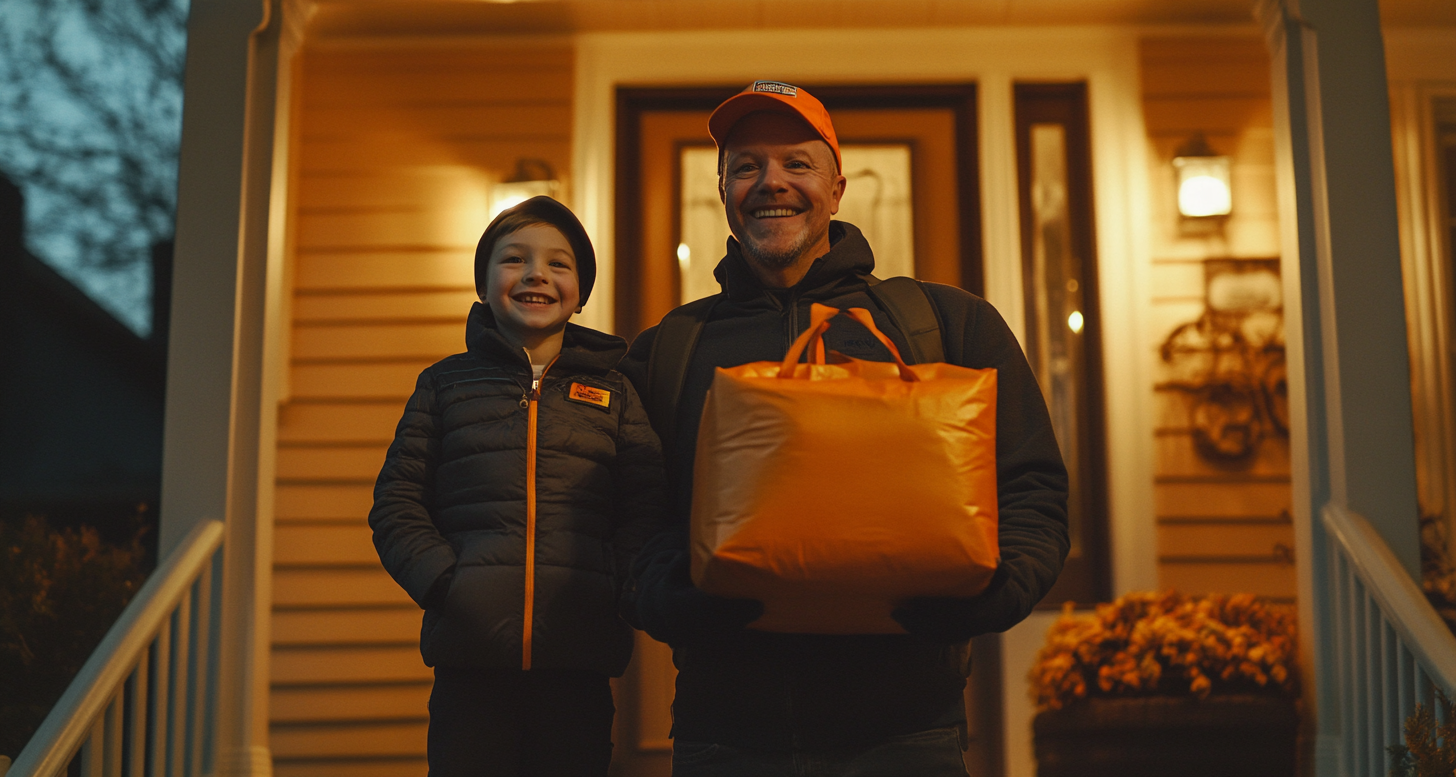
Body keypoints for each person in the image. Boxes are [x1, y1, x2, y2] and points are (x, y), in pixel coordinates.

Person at [619, 82, 1071, 776]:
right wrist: (668, 597)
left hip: (907, 733)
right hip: (726, 735)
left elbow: (1032, 488)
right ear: (723, 189)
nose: (771, 182)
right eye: (746, 166)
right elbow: (626, 518)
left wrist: (993, 592)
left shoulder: (946, 324)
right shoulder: (671, 349)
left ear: (836, 189)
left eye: (797, 164)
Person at [370, 196, 667, 777]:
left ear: (580, 293)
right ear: (483, 284)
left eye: (559, 264)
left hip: (577, 658)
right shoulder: (444, 385)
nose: (536, 274)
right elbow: (397, 504)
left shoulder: (615, 393)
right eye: (514, 260)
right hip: (470, 661)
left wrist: (618, 584)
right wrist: (447, 584)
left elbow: (645, 504)